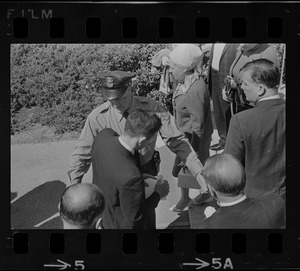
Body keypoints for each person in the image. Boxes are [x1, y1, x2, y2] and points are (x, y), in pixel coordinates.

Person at [67, 70, 208, 204]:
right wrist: (73, 187)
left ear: (130, 89)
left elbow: (176, 140)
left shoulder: (153, 108)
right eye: (110, 99)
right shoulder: (97, 118)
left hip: (146, 171)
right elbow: (82, 153)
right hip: (114, 177)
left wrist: (198, 172)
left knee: (147, 214)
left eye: (120, 98)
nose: (115, 104)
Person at [92, 109, 170, 229]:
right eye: (151, 140)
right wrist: (158, 194)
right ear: (143, 140)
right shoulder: (131, 177)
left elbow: (112, 173)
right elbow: (135, 218)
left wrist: (140, 175)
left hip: (101, 214)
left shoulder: (103, 136)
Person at [224, 59, 285, 201]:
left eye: (245, 84)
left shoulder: (240, 120)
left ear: (260, 89)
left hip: (254, 199)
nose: (242, 88)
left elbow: (228, 167)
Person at [168, 44, 213, 211]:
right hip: (185, 137)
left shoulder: (194, 90)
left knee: (192, 170)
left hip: (192, 141)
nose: (170, 71)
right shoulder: (187, 82)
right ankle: (186, 197)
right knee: (181, 172)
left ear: (184, 68)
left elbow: (198, 126)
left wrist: (192, 154)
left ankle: (206, 194)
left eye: (173, 67)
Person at [195, 153, 285, 229]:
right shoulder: (276, 202)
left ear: (211, 189)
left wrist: (211, 219)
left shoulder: (206, 226)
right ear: (244, 178)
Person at [223, 43, 279, 114]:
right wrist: (227, 87)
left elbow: (266, 88)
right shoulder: (243, 49)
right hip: (240, 104)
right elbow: (236, 74)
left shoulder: (267, 52)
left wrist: (237, 86)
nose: (241, 44)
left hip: (255, 109)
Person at [208, 43, 239, 151]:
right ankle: (223, 140)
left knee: (226, 111)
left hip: (225, 78)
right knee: (218, 111)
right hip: (213, 75)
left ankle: (230, 143)